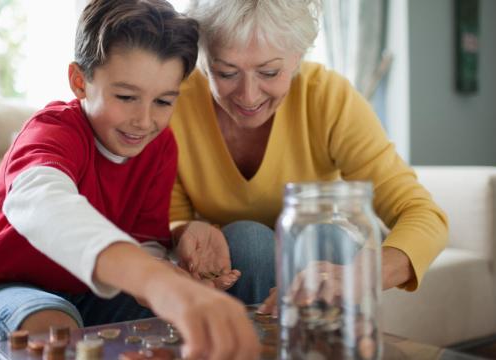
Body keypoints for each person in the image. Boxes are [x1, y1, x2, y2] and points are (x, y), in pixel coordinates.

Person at [0, 1, 260, 359]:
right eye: (125, 97)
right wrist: (153, 281)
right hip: (8, 289)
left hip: (94, 295)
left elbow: (145, 241)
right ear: (80, 82)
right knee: (53, 327)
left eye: (164, 101)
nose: (144, 120)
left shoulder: (160, 147)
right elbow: (44, 204)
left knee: (189, 316)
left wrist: (166, 271)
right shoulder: (53, 131)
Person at [169, 0, 449, 312]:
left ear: (297, 57)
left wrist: (361, 276)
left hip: (319, 251)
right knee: (249, 241)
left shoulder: (327, 97)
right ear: (203, 61)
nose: (249, 96)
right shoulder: (175, 100)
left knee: (324, 235)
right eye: (226, 72)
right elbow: (173, 216)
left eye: (270, 71)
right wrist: (185, 230)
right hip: (235, 259)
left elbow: (423, 214)